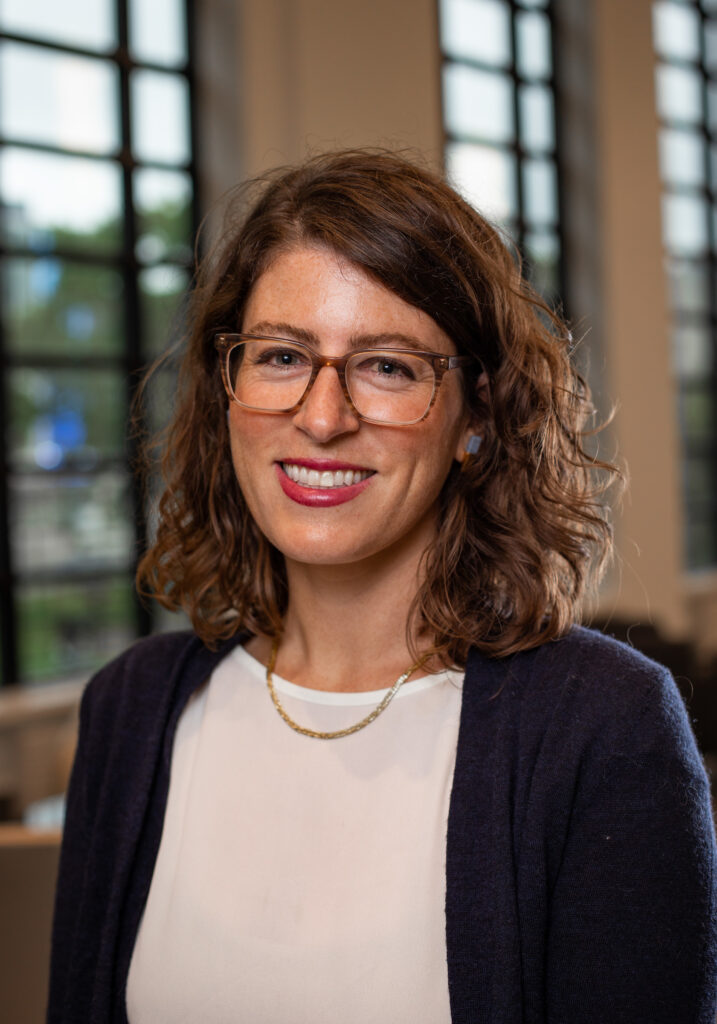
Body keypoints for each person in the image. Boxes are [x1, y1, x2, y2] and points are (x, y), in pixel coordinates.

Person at [47, 150, 717, 1024]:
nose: (323, 418)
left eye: (389, 367)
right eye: (282, 356)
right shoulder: (130, 712)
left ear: (476, 414)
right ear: (226, 389)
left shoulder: (602, 727)